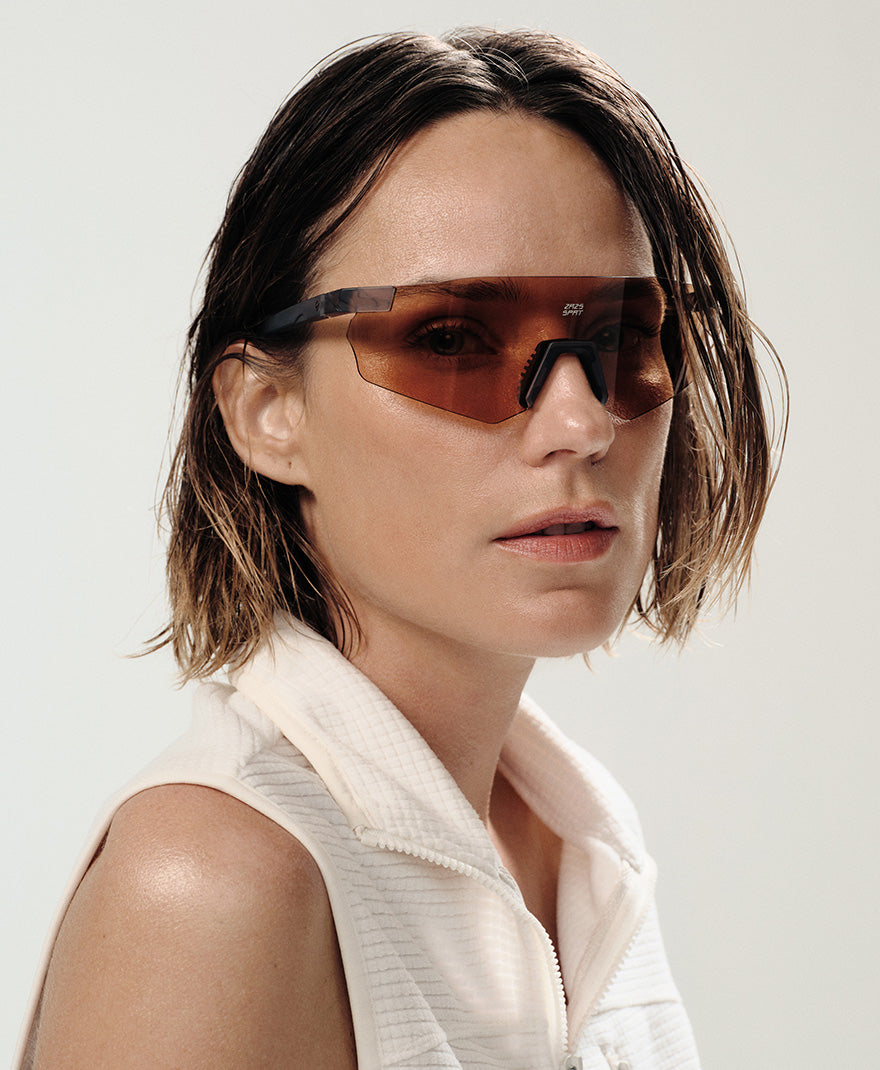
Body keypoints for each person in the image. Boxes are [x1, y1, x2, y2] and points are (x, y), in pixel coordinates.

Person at [16, 27, 783, 1070]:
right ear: (268, 412)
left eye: (616, 337)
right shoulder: (214, 884)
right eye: (451, 339)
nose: (581, 422)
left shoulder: (582, 846)